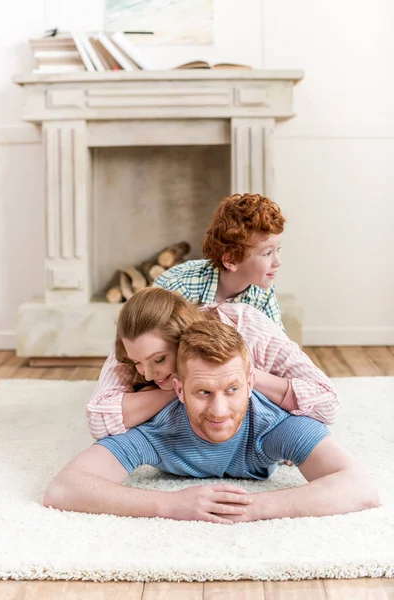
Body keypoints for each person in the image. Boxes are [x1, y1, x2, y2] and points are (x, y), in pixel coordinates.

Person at [45, 320, 379, 523]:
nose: (219, 411)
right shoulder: (158, 426)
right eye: (203, 392)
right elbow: (64, 487)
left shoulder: (275, 422)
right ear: (178, 389)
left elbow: (360, 486)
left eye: (232, 390)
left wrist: (253, 507)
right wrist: (170, 504)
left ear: (250, 384)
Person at [86, 288, 339, 440]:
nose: (149, 374)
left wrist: (239, 375)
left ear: (183, 338)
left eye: (159, 359)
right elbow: (98, 420)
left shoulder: (250, 328)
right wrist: (184, 386)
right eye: (138, 363)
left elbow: (327, 403)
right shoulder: (134, 343)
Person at [154, 193, 285, 326]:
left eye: (278, 250)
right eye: (267, 253)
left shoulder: (263, 292)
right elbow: (157, 342)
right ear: (230, 261)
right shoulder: (183, 291)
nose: (277, 262)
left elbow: (278, 341)